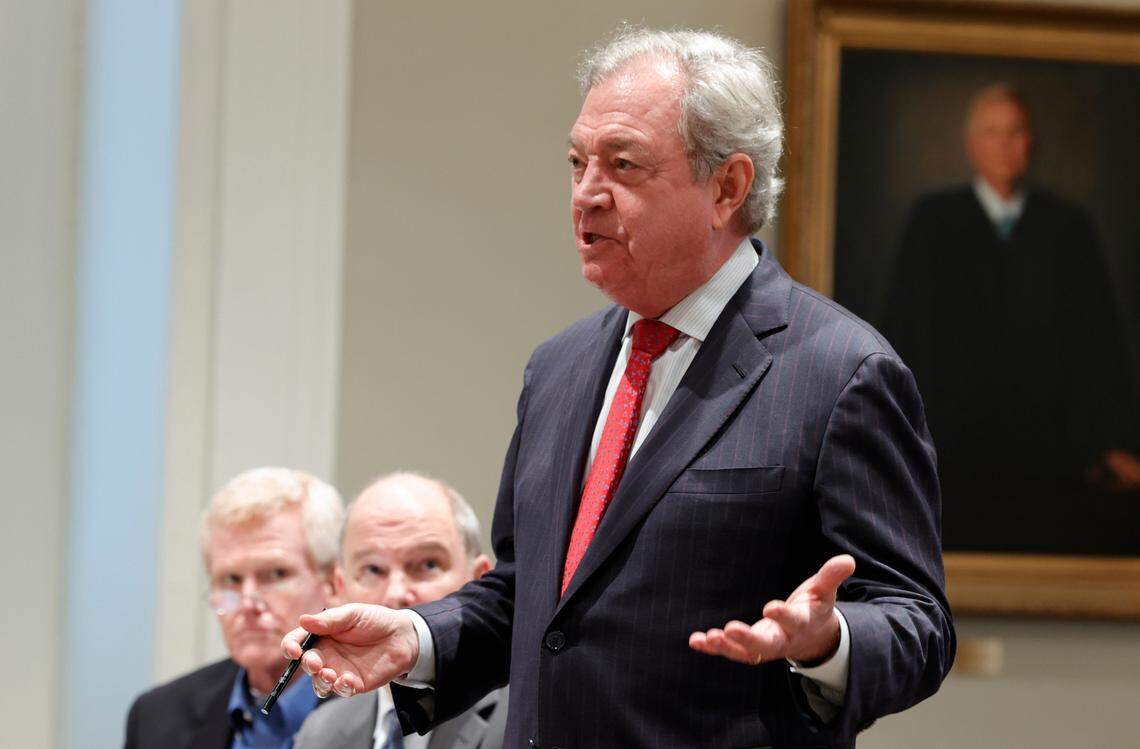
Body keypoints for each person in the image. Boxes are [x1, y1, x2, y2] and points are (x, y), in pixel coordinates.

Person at [285, 28, 955, 748]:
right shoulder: (560, 366)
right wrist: (416, 636)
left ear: (727, 187)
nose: (586, 194)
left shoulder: (841, 371)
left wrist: (828, 639)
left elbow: (916, 622)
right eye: (577, 163)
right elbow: (525, 597)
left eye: (622, 164)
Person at [884, 83, 1140, 555]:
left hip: (1050, 450)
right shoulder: (933, 223)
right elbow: (905, 336)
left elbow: (1099, 344)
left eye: (1015, 132)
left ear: (1031, 143)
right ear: (971, 145)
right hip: (952, 446)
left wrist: (1113, 441)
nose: (1004, 145)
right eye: (991, 133)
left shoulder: (1068, 228)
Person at [125, 468, 345, 748]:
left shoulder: (383, 713)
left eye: (275, 574)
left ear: (333, 585)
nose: (247, 603)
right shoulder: (158, 716)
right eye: (231, 579)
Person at [293, 473, 507, 749]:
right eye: (373, 569)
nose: (396, 593)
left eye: (428, 564)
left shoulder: (528, 716)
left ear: (479, 580)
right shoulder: (320, 732)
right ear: (339, 588)